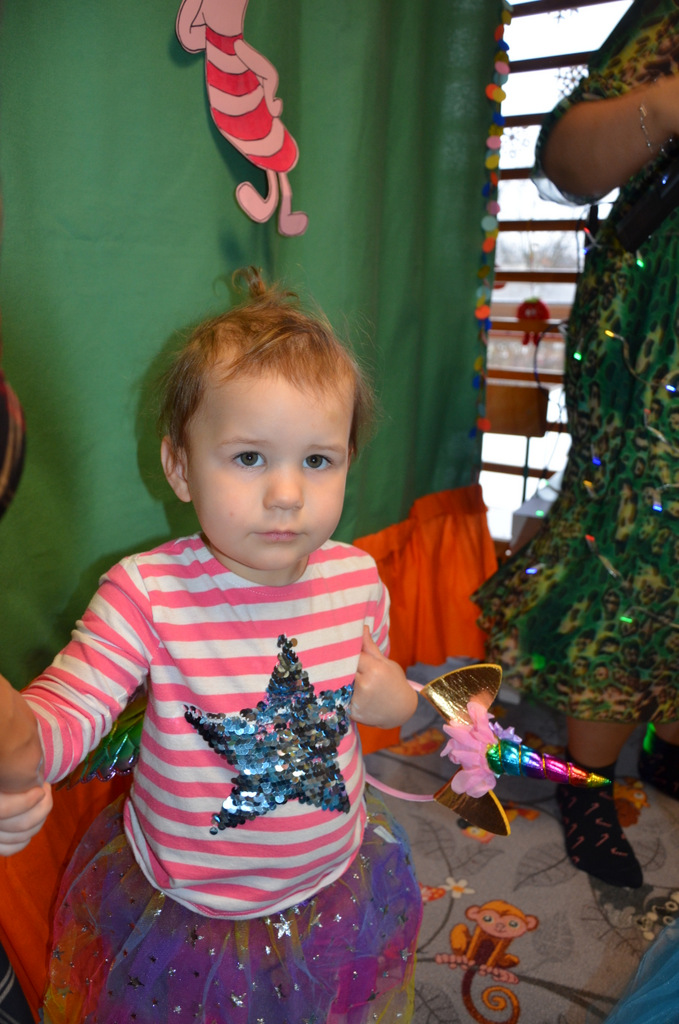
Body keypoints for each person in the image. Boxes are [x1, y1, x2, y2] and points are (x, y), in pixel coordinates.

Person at [0, 266, 422, 1023]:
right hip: (188, 906)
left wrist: (399, 698)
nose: (287, 494)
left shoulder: (357, 579)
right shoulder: (147, 593)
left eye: (317, 460)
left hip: (334, 873)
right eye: (249, 457)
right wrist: (18, 744)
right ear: (180, 467)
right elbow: (70, 708)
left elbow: (358, 706)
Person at [474, 0, 679, 890]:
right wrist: (666, 104)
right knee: (632, 528)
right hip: (654, 330)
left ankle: (666, 744)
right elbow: (562, 162)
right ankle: (587, 781)